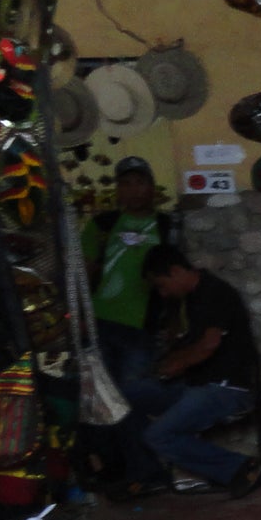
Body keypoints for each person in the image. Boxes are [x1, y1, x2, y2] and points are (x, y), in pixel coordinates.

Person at [118, 245, 261, 499]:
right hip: (198, 384)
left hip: (227, 388)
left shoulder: (216, 293)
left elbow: (209, 345)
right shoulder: (193, 298)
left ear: (176, 271)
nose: (163, 294)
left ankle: (241, 467)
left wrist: (176, 364)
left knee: (160, 436)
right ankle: (148, 474)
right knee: (124, 397)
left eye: (162, 285)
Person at [81, 155, 176, 391]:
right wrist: (80, 316)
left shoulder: (168, 226)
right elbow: (85, 271)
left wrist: (174, 324)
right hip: (99, 324)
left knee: (135, 395)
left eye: (140, 182)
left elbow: (177, 277)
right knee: (101, 395)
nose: (134, 190)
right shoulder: (102, 225)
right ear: (118, 190)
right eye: (126, 184)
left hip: (144, 327)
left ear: (152, 188)